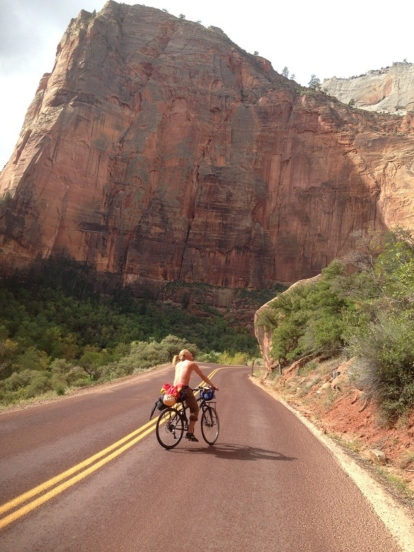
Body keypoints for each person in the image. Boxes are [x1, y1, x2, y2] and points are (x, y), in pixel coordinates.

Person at [173, 349, 219, 442]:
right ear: (185, 355)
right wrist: (212, 385)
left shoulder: (178, 364)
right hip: (184, 389)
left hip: (175, 389)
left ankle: (180, 417)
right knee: (195, 409)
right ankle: (189, 433)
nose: (191, 354)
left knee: (186, 404)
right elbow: (202, 376)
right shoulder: (191, 363)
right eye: (189, 353)